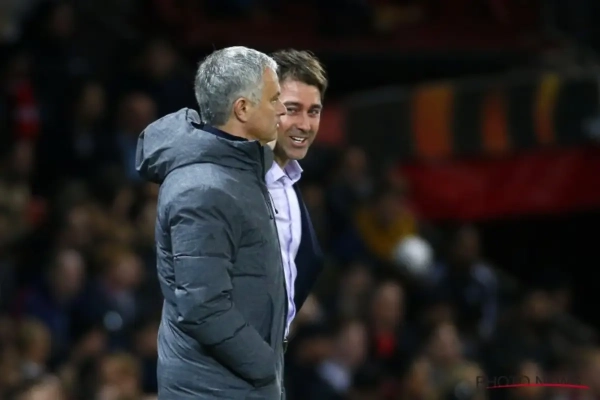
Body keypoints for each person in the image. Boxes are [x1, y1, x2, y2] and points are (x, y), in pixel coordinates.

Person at [135, 46, 287, 399]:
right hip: (214, 388)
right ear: (242, 108)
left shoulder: (236, 171)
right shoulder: (203, 189)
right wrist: (265, 366)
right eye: (273, 99)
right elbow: (203, 306)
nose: (282, 109)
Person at [266, 49, 327, 340]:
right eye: (292, 109)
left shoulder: (290, 181)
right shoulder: (233, 181)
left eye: (313, 111)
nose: (304, 125)